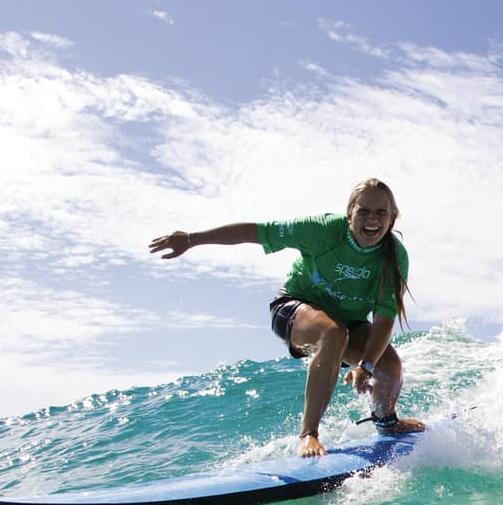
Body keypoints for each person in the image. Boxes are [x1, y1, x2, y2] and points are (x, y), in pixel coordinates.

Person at [149, 178, 426, 457]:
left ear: (393, 217)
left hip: (348, 322)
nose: (372, 219)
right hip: (294, 309)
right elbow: (254, 232)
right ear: (349, 214)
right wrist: (192, 239)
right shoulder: (321, 230)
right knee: (332, 333)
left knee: (389, 365)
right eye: (363, 210)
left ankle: (387, 423)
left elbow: (384, 319)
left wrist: (366, 365)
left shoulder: (395, 256)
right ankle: (309, 435)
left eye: (381, 212)